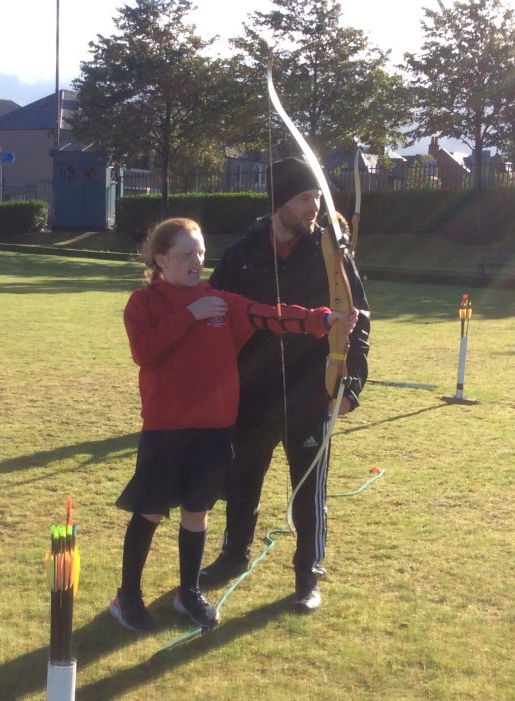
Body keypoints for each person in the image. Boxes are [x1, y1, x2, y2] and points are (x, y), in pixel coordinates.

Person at [110, 217, 357, 633]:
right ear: (161, 259)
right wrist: (191, 314)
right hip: (167, 429)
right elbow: (145, 352)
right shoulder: (144, 302)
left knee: (197, 511)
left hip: (213, 430)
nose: (196, 261)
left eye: (201, 252)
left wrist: (323, 319)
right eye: (186, 254)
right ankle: (127, 597)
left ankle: (189, 593)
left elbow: (271, 316)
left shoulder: (220, 301)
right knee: (150, 511)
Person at [199, 157, 371, 612]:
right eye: (304, 198)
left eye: (317, 196)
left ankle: (307, 573)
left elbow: (358, 318)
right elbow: (216, 312)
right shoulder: (242, 253)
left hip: (313, 390)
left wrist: (350, 383)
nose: (314, 206)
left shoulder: (332, 253)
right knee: (242, 479)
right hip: (253, 392)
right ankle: (234, 554)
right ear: (280, 202)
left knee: (309, 488)